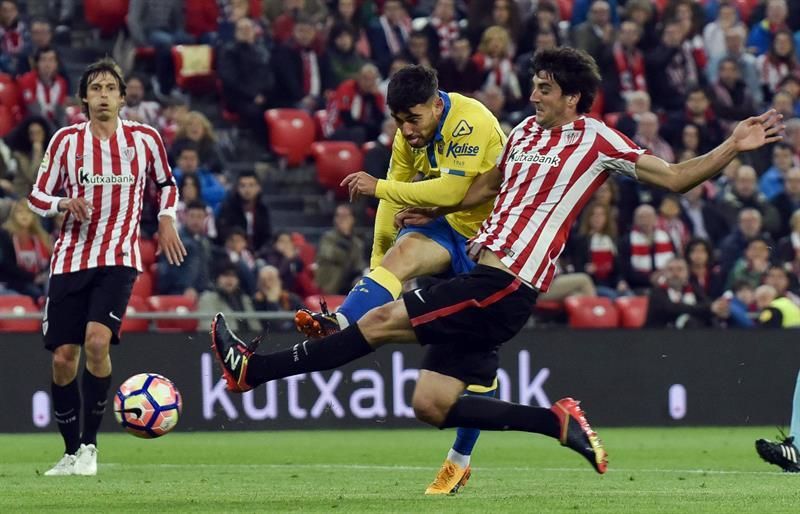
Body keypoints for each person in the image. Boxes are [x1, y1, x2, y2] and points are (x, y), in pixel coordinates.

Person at [211, 47, 783, 490]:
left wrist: (732, 145)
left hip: (507, 280)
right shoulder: (525, 133)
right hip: (482, 281)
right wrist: (430, 204)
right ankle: (556, 422)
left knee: (380, 321)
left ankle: (251, 371)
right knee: (430, 405)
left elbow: (677, 177)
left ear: (575, 98)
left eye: (544, 88)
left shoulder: (600, 141)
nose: (533, 95)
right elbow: (483, 186)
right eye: (534, 85)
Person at [294, 64, 507, 494]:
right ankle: (342, 320)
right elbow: (394, 199)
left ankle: (459, 461)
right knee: (403, 251)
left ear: (436, 103)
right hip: (444, 227)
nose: (407, 130)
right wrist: (379, 265)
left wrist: (381, 188)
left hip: (492, 241)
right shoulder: (408, 135)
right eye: (398, 120)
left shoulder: (471, 121)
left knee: (478, 370)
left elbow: (447, 192)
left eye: (414, 119)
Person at [27, 57, 186, 476]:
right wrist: (63, 202)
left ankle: (91, 447)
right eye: (95, 88)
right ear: (84, 97)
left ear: (122, 95)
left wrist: (167, 218)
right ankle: (69, 451)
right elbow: (37, 197)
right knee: (64, 357)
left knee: (96, 342)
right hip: (70, 258)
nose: (102, 95)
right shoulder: (65, 142)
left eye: (109, 88)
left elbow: (167, 185)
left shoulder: (145, 139)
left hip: (119, 257)